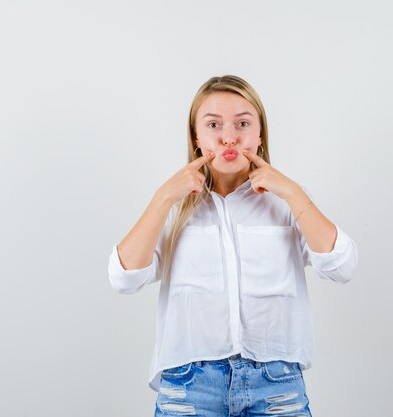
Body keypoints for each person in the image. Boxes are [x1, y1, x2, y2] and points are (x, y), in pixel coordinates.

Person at [107, 75, 358, 417]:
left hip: (276, 387)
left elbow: (342, 266)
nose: (229, 136)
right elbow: (124, 278)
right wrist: (164, 196)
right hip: (189, 387)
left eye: (243, 123)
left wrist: (294, 193)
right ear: (196, 137)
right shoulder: (174, 208)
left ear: (259, 135)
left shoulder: (286, 203)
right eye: (214, 124)